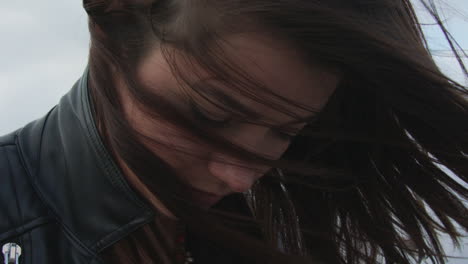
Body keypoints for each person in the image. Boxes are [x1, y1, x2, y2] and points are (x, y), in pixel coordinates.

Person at [1, 0, 467, 263]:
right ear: (113, 25)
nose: (241, 177)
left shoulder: (285, 231)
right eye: (210, 115)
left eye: (287, 132)